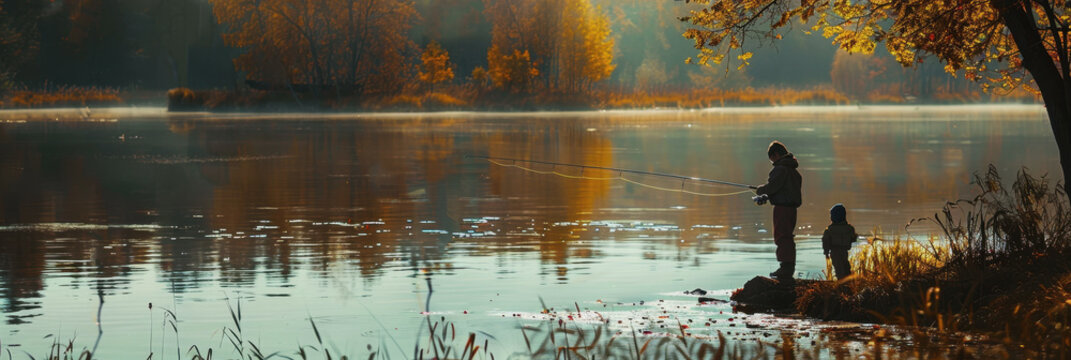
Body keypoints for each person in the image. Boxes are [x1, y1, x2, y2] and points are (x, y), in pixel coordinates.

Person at [751, 141, 802, 280]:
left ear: (777, 155)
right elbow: (782, 189)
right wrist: (766, 196)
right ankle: (788, 267)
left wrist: (761, 190)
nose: (772, 161)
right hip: (791, 209)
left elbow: (773, 187)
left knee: (782, 236)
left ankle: (785, 268)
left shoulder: (780, 169)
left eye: (772, 158)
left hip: (782, 208)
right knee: (787, 236)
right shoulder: (793, 171)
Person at [822, 204, 857, 280]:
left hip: (835, 252)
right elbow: (853, 239)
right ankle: (847, 282)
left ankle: (841, 283)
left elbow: (825, 242)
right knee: (846, 266)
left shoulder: (829, 230)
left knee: (839, 269)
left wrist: (826, 252)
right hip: (844, 251)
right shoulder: (849, 228)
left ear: (832, 217)